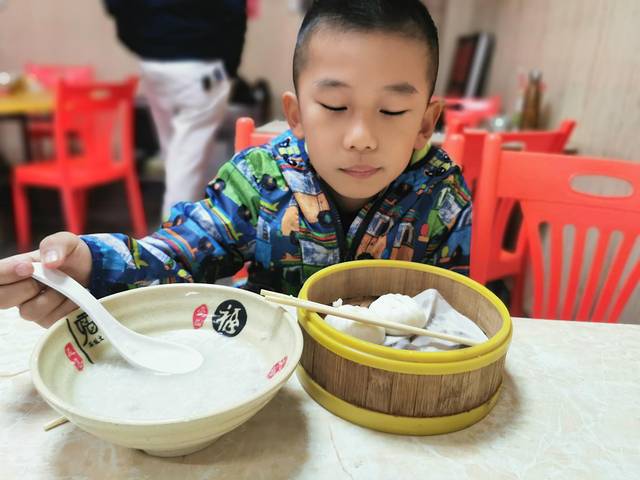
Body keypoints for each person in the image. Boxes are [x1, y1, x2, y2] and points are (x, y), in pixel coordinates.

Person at [0, 0, 471, 327]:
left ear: (426, 122)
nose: (361, 138)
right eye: (334, 106)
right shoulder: (258, 180)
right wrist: (91, 265)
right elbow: (178, 255)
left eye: (392, 111)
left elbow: (454, 313)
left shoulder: (442, 198)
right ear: (296, 115)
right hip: (266, 379)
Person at [103, 0, 247, 217]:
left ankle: (184, 227)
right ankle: (175, 233)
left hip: (153, 63)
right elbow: (233, 11)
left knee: (176, 159)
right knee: (185, 166)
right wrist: (230, 68)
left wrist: (140, 43)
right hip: (201, 63)